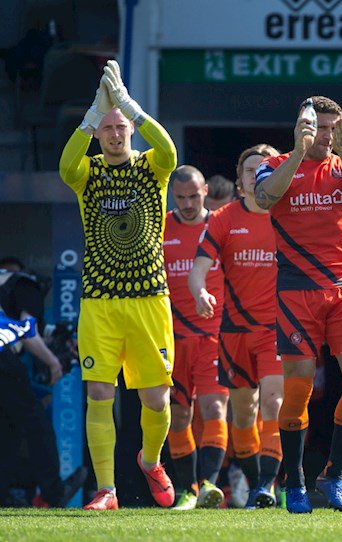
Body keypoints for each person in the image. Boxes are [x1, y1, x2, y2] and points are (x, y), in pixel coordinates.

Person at [60, 60, 177, 510]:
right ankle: (106, 490)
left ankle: (150, 461)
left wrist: (131, 105)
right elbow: (65, 168)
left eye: (120, 126)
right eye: (106, 128)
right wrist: (92, 115)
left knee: (156, 398)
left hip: (150, 300)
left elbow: (169, 152)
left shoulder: (151, 168)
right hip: (101, 302)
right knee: (98, 393)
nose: (113, 134)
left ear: (131, 130)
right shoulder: (89, 173)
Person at [254, 95, 342, 513]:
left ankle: (334, 475)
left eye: (332, 128)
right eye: (318, 128)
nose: (325, 136)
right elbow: (264, 199)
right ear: (302, 127)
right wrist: (298, 152)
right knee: (299, 387)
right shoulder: (276, 165)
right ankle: (295, 481)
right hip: (296, 292)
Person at [192, 144, 283, 510]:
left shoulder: (289, 215)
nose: (257, 173)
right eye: (250, 169)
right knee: (244, 412)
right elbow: (199, 267)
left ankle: (267, 486)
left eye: (265, 167)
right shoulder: (224, 218)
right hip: (234, 331)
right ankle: (251, 480)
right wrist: (199, 291)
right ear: (240, 180)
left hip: (279, 329)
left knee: (275, 403)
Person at [163, 166, 229, 511]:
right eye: (180, 197)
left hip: (215, 335)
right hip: (172, 337)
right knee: (178, 415)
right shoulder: (161, 227)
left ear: (206, 190)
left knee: (215, 407)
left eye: (194, 195)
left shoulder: (220, 225)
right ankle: (186, 490)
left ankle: (209, 485)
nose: (187, 203)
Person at [0, 268, 86, 508]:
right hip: (2, 360)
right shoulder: (27, 286)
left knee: (8, 430)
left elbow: (27, 329)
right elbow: (28, 333)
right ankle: (54, 492)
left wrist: (60, 335)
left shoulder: (6, 289)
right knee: (36, 423)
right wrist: (54, 363)